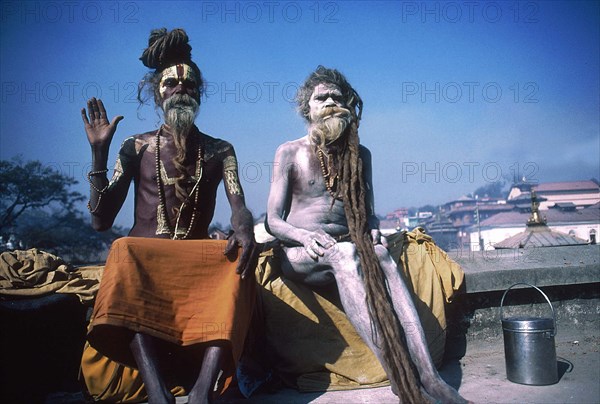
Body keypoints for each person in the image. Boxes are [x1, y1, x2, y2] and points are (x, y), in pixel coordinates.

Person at [265, 66, 467, 403]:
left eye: (336, 97)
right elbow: (273, 220)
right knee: (344, 255)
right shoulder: (289, 151)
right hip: (302, 253)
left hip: (347, 246)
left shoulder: (360, 155)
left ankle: (430, 378)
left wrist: (372, 227)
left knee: (384, 255)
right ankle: (404, 382)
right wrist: (303, 237)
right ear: (307, 109)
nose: (330, 102)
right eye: (321, 98)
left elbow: (368, 210)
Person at [81, 28, 256, 404]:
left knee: (238, 259)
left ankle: (201, 392)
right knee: (123, 249)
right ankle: (158, 392)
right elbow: (100, 222)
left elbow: (238, 204)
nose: (180, 89)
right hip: (146, 261)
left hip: (195, 264)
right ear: (155, 92)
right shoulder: (135, 146)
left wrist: (244, 231)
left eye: (188, 84)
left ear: (199, 93)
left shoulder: (220, 150)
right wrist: (99, 153)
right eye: (170, 84)